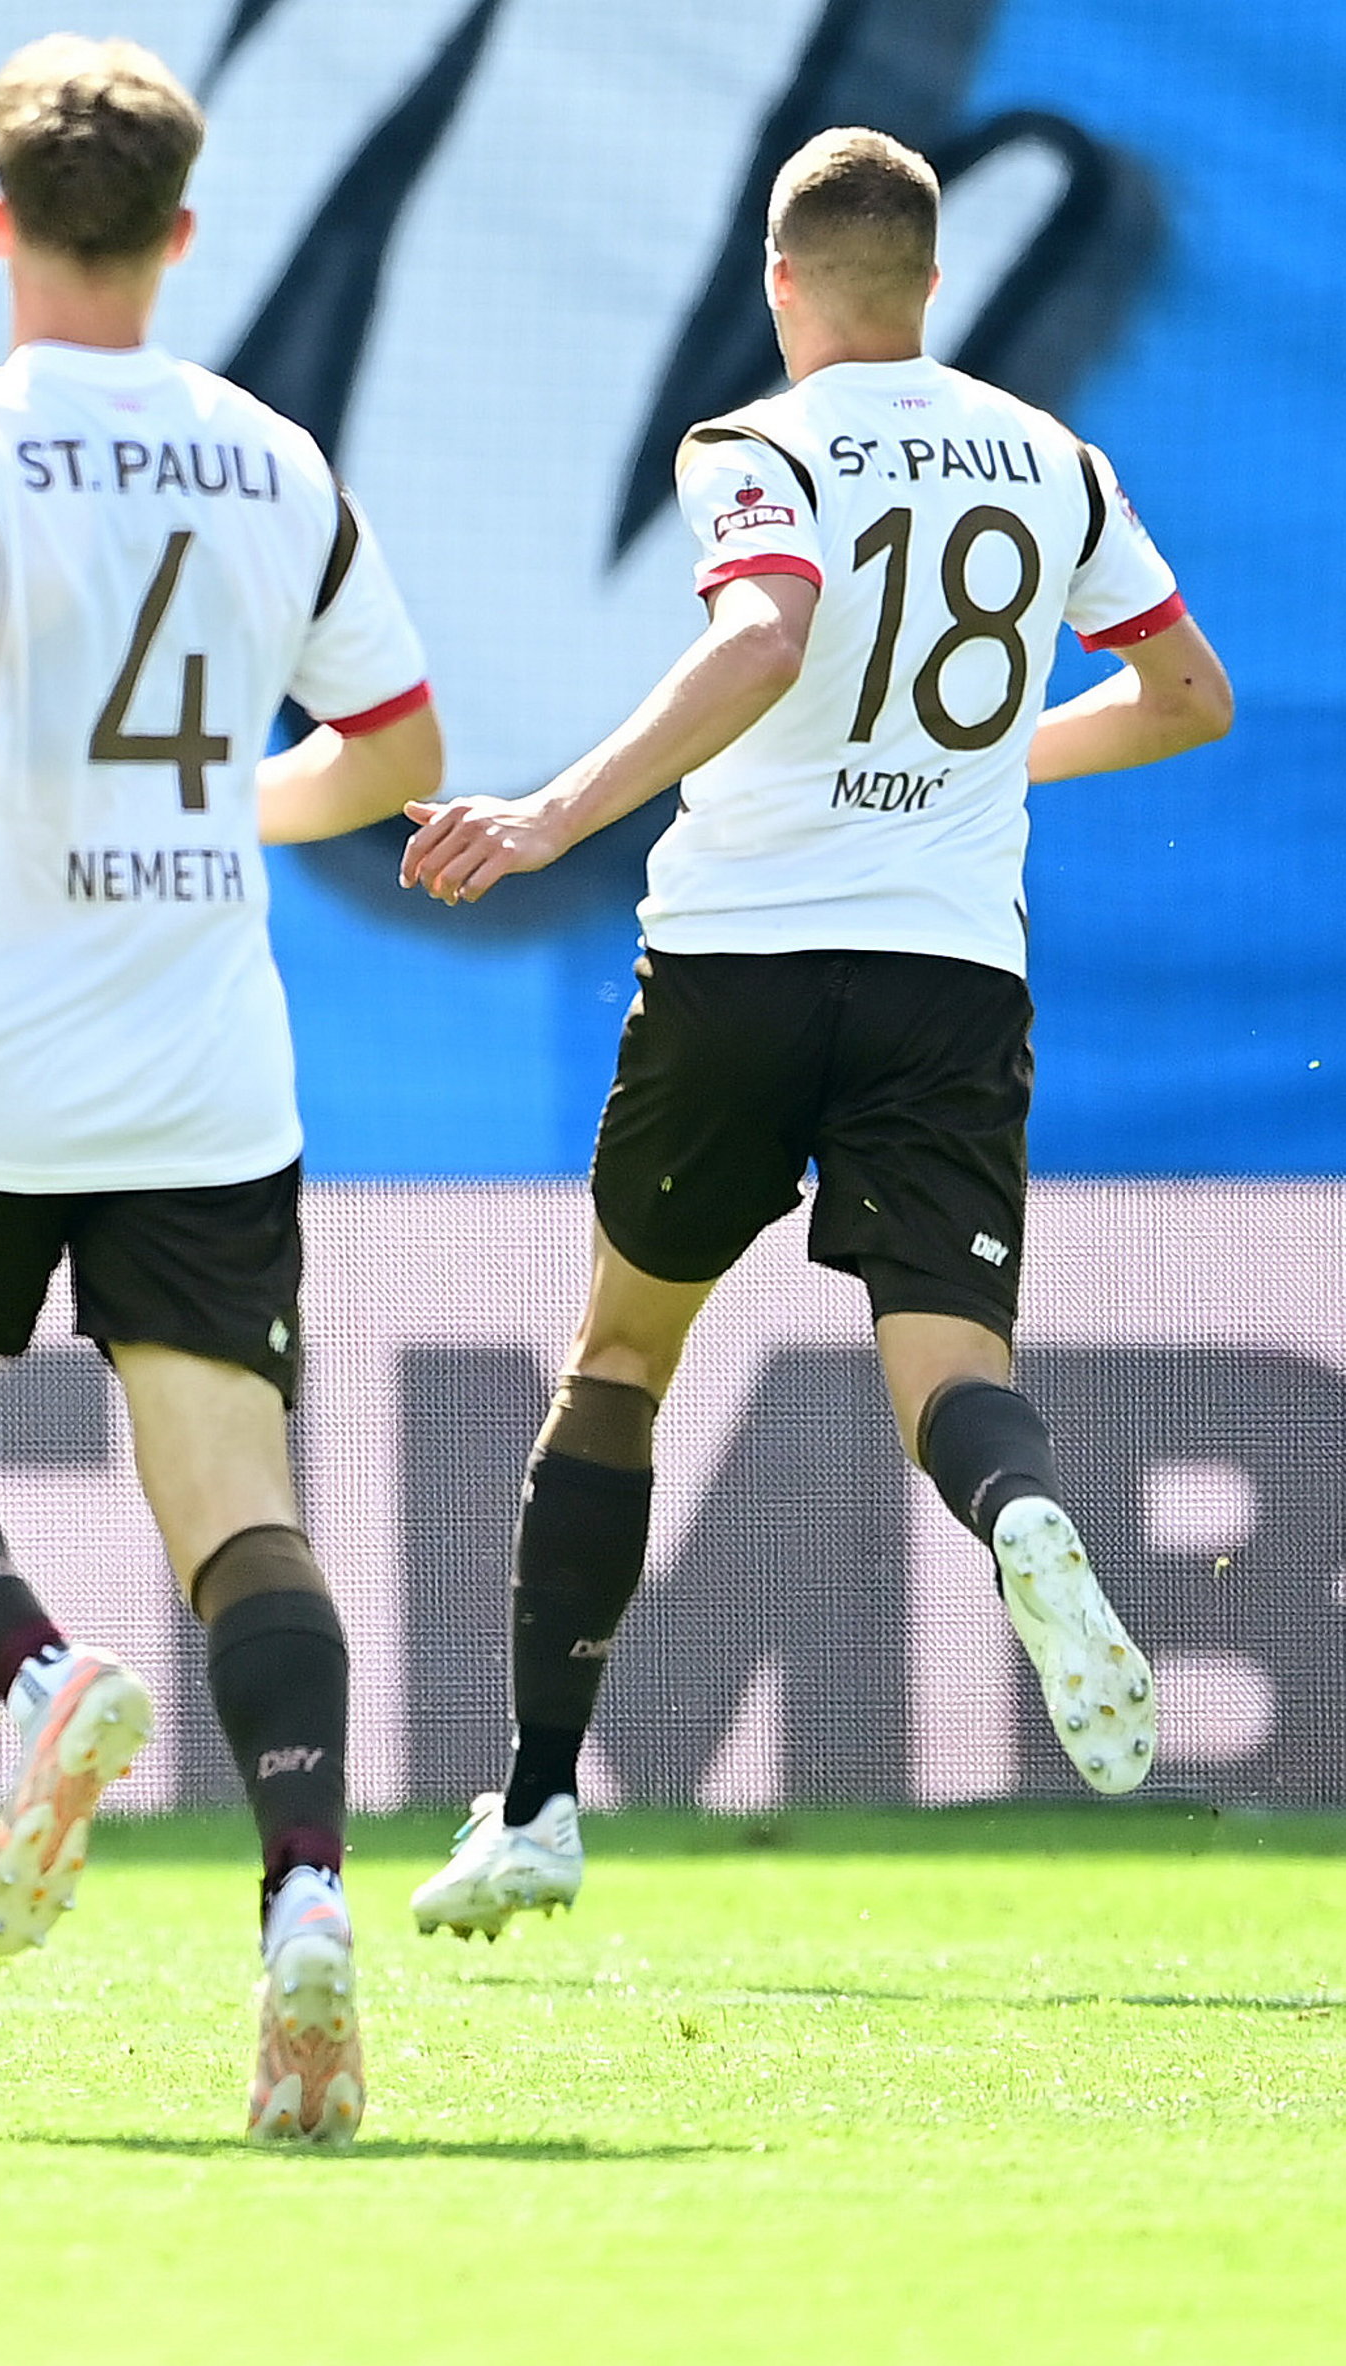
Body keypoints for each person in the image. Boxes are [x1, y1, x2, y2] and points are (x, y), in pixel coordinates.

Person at [400, 128, 1231, 1938]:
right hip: (949, 968)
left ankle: (537, 1808)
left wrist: (549, 812)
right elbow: (1183, 693)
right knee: (949, 1371)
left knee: (617, 1362)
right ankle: (1015, 1515)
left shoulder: (755, 444)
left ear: (776, 280)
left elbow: (766, 640)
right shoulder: (1051, 456)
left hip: (741, 957)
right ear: (931, 282)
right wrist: (991, 751)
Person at [0, 38, 444, 2145]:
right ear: (175, 235)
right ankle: (307, 1901)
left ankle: (39, 1675)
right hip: (201, 1078)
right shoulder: (270, 456)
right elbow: (402, 747)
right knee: (240, 1514)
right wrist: (230, 816)